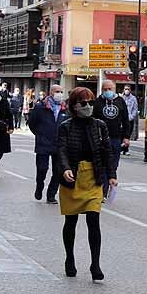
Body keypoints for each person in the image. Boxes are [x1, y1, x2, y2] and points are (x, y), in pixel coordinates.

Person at [55, 87, 117, 281]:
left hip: (93, 178)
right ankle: (69, 258)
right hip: (72, 178)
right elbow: (61, 150)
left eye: (91, 102)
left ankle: (95, 264)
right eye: (83, 103)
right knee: (71, 221)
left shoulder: (100, 126)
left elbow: (107, 151)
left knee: (93, 220)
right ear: (74, 106)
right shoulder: (66, 126)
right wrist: (65, 168)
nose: (88, 106)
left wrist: (112, 175)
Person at [28, 84, 68, 204]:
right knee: (42, 168)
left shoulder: (65, 108)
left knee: (58, 171)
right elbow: (32, 123)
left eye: (61, 91)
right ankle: (39, 186)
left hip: (59, 145)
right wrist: (39, 134)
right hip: (43, 143)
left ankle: (51, 195)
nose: (59, 94)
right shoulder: (41, 107)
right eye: (57, 91)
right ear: (51, 93)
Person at [92, 80, 131, 172]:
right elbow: (93, 119)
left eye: (109, 89)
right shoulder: (98, 101)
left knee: (114, 164)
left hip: (115, 137)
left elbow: (125, 120)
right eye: (105, 89)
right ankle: (104, 184)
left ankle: (112, 182)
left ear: (114, 89)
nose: (107, 91)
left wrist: (126, 137)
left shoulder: (120, 101)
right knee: (101, 164)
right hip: (100, 138)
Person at [122, 85, 139, 150]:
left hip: (129, 119)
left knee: (128, 134)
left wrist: (131, 117)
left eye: (128, 89)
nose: (127, 90)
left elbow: (135, 109)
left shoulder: (133, 98)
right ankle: (122, 147)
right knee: (122, 133)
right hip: (122, 119)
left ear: (130, 90)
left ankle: (126, 148)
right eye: (125, 89)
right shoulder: (121, 97)